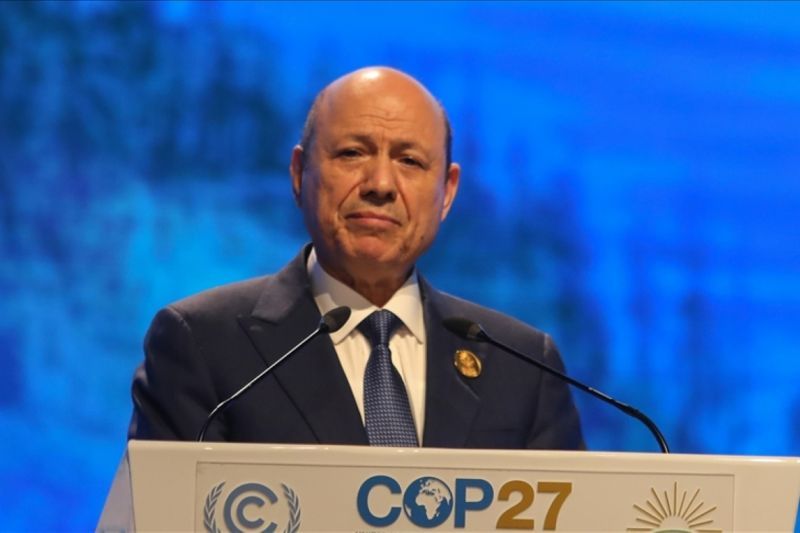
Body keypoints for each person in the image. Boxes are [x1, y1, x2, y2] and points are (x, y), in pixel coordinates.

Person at [129, 66, 584, 450]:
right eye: (352, 153)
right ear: (299, 174)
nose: (380, 184)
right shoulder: (202, 342)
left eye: (409, 161)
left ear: (447, 192)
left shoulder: (524, 366)